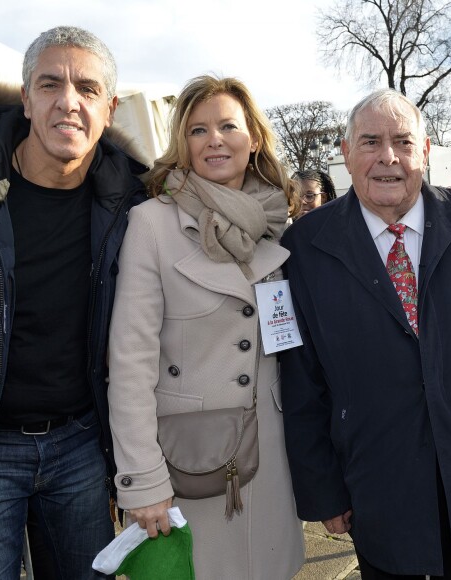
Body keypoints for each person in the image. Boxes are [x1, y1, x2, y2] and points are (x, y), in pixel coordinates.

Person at [0, 26, 148, 579]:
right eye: (50, 84)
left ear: (109, 109)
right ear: (25, 99)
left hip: (81, 448)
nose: (69, 102)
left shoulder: (134, 206)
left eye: (87, 89)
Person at [280, 88, 451, 579]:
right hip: (379, 491)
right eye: (371, 142)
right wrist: (323, 490)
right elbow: (301, 379)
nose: (388, 158)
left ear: (425, 151)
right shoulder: (304, 248)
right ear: (345, 153)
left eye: (402, 141)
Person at [107, 75, 305, 579]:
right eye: (197, 130)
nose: (213, 139)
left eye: (227, 126)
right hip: (190, 465)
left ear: (253, 138)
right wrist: (143, 481)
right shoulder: (151, 223)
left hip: (272, 458)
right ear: (183, 144)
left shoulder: (275, 220)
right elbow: (129, 362)